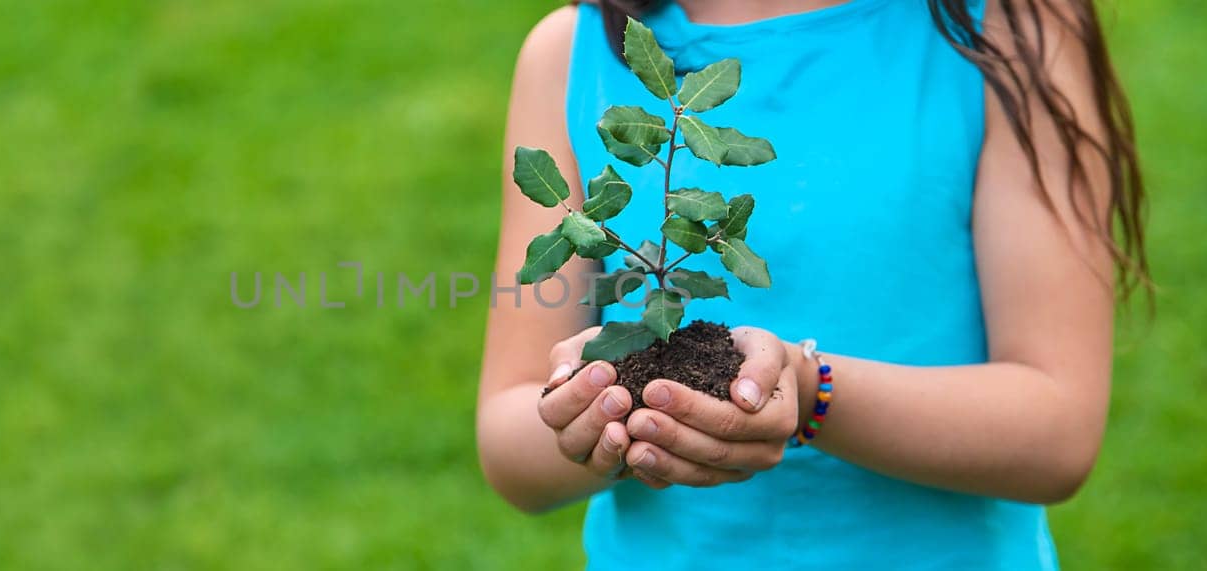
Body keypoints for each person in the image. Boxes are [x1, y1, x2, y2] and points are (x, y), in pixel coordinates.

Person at [475, 0, 1146, 567]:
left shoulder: (1009, 27)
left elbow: (1057, 431)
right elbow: (510, 437)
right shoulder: (571, 53)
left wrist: (812, 389)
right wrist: (603, 407)